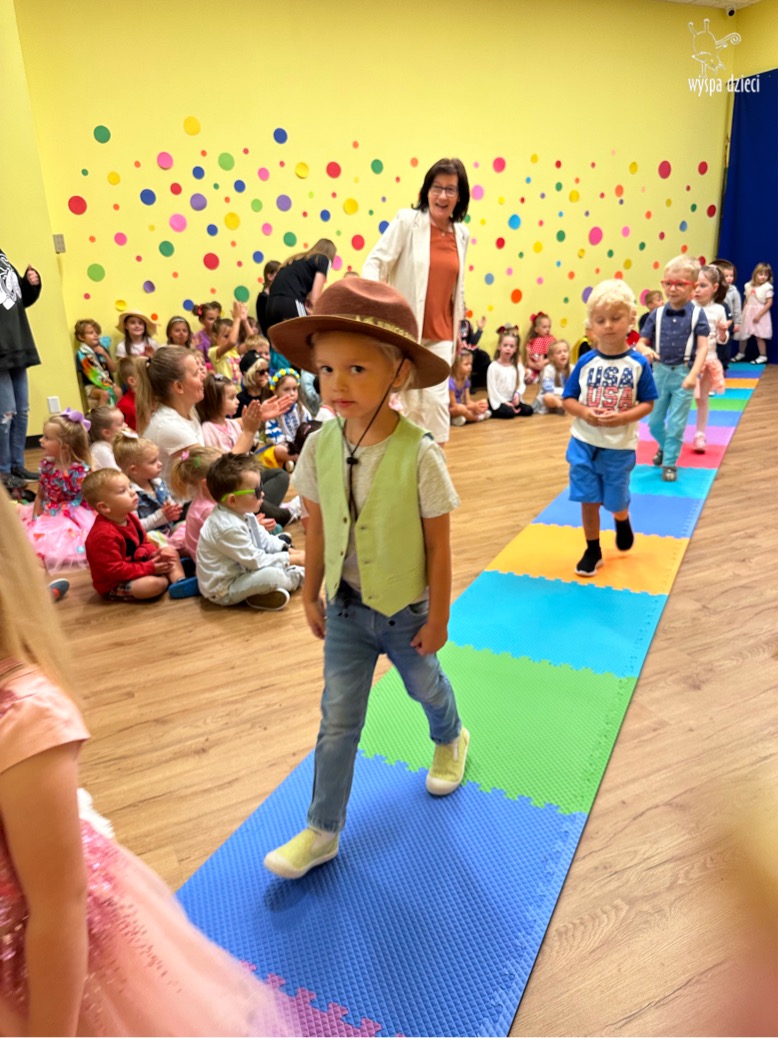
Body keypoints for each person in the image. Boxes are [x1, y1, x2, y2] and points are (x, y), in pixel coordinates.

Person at [0, 484, 291, 1035]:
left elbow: (58, 907)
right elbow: (121, 562)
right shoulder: (155, 524)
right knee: (221, 573)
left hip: (50, 952)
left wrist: (158, 555)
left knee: (231, 568)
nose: (135, 495)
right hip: (179, 581)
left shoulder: (26, 716)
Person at [263, 277, 468, 880]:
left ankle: (451, 735)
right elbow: (318, 527)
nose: (337, 385)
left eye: (356, 368)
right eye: (326, 370)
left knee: (425, 686)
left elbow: (439, 544)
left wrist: (440, 617)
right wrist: (309, 591)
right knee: (338, 720)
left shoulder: (420, 453)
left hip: (406, 611)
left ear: (398, 373)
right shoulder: (317, 446)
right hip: (347, 610)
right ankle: (322, 830)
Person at [362, 158, 470, 445]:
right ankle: (404, 467)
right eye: (437, 187)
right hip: (406, 331)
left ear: (459, 197)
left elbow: (457, 287)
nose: (442, 196)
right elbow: (375, 262)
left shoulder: (462, 234)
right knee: (406, 405)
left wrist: (459, 330)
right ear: (426, 191)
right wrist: (375, 302)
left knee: (436, 406)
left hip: (442, 334)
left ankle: (436, 465)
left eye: (450, 189)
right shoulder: (407, 222)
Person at [562, 280, 658, 577]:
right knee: (588, 499)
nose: (608, 326)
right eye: (600, 320)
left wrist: (624, 417)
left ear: (630, 320)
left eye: (616, 318)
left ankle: (621, 516)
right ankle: (593, 549)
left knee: (614, 500)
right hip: (583, 441)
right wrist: (585, 412)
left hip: (619, 446)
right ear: (591, 325)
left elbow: (648, 403)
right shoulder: (586, 362)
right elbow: (568, 399)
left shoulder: (638, 364)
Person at [196, 453, 305, 610]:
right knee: (274, 576)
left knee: (279, 552)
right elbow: (256, 561)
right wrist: (294, 560)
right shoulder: (227, 528)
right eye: (257, 491)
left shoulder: (244, 512)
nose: (263, 494)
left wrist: (289, 551)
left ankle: (258, 594)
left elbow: (264, 539)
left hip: (244, 570)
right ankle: (297, 575)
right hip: (224, 589)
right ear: (233, 500)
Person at [637, 256, 710, 482]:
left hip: (683, 374)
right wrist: (645, 350)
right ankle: (665, 446)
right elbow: (641, 342)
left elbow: (703, 347)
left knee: (677, 425)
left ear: (693, 287)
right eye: (668, 283)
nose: (672, 288)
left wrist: (693, 374)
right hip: (659, 373)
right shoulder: (656, 314)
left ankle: (669, 462)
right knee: (654, 423)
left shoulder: (697, 314)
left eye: (680, 284)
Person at [82, 468, 187, 601]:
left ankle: (180, 583)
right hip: (116, 582)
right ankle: (167, 578)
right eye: (123, 491)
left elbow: (144, 542)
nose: (133, 492)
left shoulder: (130, 517)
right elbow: (115, 571)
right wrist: (149, 568)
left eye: (130, 487)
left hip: (139, 566)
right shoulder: (103, 535)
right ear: (104, 507)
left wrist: (153, 554)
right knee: (155, 584)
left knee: (170, 552)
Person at [17, 409, 95, 571]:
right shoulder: (47, 466)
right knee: (33, 540)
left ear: (64, 447)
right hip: (50, 511)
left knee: (74, 543)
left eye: (47, 438)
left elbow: (93, 498)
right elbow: (40, 495)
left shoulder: (82, 471)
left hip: (77, 515)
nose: (40, 440)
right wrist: (35, 519)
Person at [0, 248, 42, 490]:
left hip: (17, 342)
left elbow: (16, 299)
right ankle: (3, 471)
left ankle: (17, 464)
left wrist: (30, 285)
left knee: (21, 410)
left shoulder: (2, 256)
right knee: (5, 413)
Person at [266, 240, 337, 369]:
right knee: (308, 342)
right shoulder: (323, 259)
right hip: (289, 303)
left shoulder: (296, 260)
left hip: (271, 305)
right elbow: (315, 297)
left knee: (286, 349)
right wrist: (316, 314)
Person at [113, 432, 184, 541]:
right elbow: (135, 527)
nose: (160, 464)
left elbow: (169, 505)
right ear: (134, 470)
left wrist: (174, 509)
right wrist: (161, 517)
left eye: (158, 459)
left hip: (168, 533)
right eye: (153, 462)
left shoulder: (158, 483)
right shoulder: (130, 495)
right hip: (148, 541)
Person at [692, 266, 730, 453]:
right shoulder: (688, 306)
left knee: (702, 398)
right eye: (695, 285)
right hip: (689, 361)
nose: (697, 289)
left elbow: (722, 340)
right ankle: (674, 434)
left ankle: (700, 434)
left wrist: (723, 332)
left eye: (703, 285)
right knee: (681, 399)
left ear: (714, 288)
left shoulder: (719, 310)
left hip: (709, 360)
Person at [170, 446, 225, 559]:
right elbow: (231, 540)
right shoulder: (209, 511)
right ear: (207, 484)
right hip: (215, 564)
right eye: (227, 475)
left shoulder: (204, 499)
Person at [74, 319, 120, 408]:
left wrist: (105, 354)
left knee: (118, 391)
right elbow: (91, 376)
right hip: (92, 386)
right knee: (105, 394)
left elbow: (114, 369)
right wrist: (105, 385)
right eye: (91, 333)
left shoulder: (102, 349)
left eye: (97, 333)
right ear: (81, 337)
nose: (95, 335)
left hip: (108, 382)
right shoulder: (82, 355)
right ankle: (100, 415)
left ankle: (119, 413)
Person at [487, 328, 533, 418]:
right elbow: (492, 390)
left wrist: (517, 394)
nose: (508, 348)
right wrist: (504, 402)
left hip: (512, 399)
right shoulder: (493, 367)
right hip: (498, 400)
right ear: (499, 347)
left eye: (511, 346)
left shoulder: (518, 366)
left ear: (515, 349)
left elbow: (521, 384)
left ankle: (513, 409)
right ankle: (497, 410)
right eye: (505, 345)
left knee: (529, 410)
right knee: (509, 413)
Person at [735, 262, 773, 365]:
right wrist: (743, 312)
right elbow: (746, 300)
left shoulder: (767, 287)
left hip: (760, 314)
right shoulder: (748, 286)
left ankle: (763, 356)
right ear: (755, 274)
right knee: (743, 335)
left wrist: (759, 315)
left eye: (766, 275)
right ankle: (741, 353)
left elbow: (769, 302)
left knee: (759, 336)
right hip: (748, 313)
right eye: (761, 274)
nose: (763, 277)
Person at [197, 373, 244, 451]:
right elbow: (212, 456)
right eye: (232, 398)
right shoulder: (208, 429)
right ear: (215, 401)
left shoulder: (233, 425)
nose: (237, 401)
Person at [449, 350, 490, 425]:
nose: (470, 367)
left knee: (483, 402)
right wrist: (472, 407)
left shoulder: (466, 380)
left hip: (462, 406)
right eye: (466, 364)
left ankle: (460, 418)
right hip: (451, 409)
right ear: (456, 366)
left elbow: (468, 401)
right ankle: (476, 418)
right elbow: (453, 405)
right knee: (462, 409)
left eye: (470, 364)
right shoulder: (450, 383)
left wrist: (477, 406)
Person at [533, 339, 571, 415]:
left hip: (566, 396)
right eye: (559, 352)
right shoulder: (549, 369)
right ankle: (562, 406)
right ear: (552, 357)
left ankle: (564, 406)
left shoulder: (572, 368)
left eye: (565, 351)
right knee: (547, 397)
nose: (563, 354)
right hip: (552, 396)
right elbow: (548, 389)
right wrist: (564, 393)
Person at [712, 258, 742, 345]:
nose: (729, 278)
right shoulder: (715, 290)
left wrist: (737, 323)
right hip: (716, 320)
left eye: (731, 276)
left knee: (725, 341)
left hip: (728, 321)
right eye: (726, 276)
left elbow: (737, 308)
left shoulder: (734, 292)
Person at [87, 405, 126, 470]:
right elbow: (117, 474)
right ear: (106, 433)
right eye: (121, 424)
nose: (126, 425)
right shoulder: (100, 450)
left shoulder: (112, 446)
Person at [522, 312, 555, 383]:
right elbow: (528, 361)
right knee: (526, 374)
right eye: (544, 327)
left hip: (547, 366)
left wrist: (544, 362)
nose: (548, 329)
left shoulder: (551, 340)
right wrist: (534, 365)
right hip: (534, 368)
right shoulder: (531, 342)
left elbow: (554, 356)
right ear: (536, 329)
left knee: (550, 372)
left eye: (549, 327)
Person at [191, 301, 221, 368]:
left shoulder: (224, 333)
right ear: (201, 320)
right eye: (211, 319)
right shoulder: (199, 338)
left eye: (218, 318)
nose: (216, 322)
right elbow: (201, 362)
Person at [256, 259, 280, 337]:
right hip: (270, 337)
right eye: (279, 275)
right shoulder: (263, 298)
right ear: (270, 276)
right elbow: (265, 324)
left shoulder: (277, 296)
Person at [116, 355, 140, 430]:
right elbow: (120, 433)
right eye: (145, 375)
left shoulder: (150, 398)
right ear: (132, 381)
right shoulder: (125, 406)